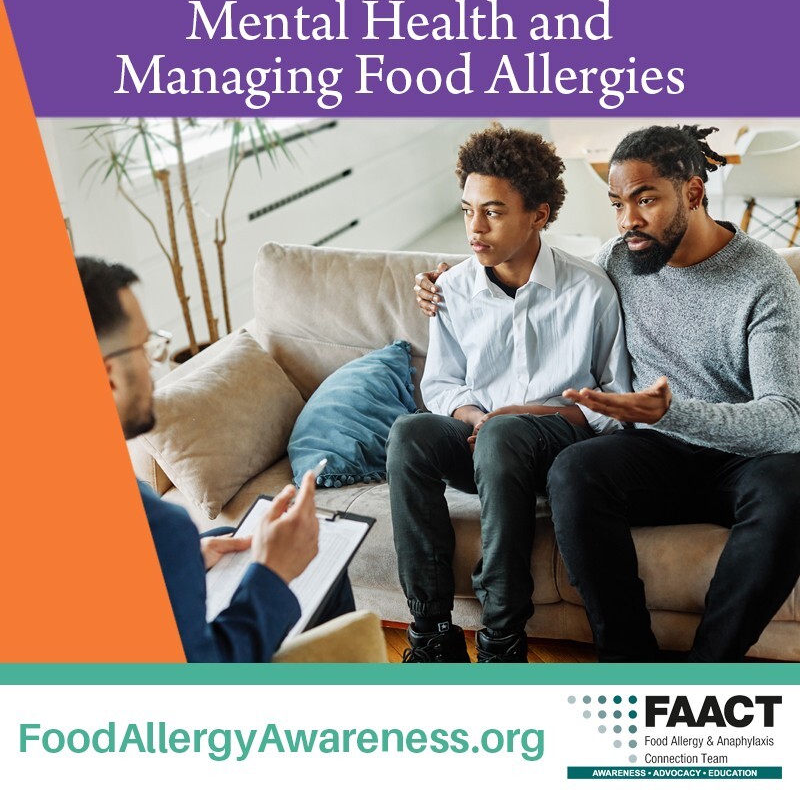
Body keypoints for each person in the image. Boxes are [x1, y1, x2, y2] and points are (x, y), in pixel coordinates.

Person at [416, 124, 800, 662]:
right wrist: (453, 280)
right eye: (618, 203)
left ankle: (707, 670)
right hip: (656, 451)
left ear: (692, 192)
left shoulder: (764, 279)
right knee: (574, 472)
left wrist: (675, 411)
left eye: (645, 201)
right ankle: (628, 661)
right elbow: (541, 282)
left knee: (793, 487)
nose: (627, 222)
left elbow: (785, 419)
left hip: (744, 460)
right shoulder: (621, 259)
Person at [388, 124, 631, 663]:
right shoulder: (450, 289)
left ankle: (502, 637)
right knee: (409, 433)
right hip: (483, 442)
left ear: (539, 215)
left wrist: (529, 415)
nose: (475, 228)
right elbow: (442, 384)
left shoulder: (589, 290)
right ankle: (431, 633)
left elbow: (616, 406)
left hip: (559, 449)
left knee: (504, 433)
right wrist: (476, 416)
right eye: (467, 209)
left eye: (493, 211)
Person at [77, 256, 354, 662]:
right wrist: (273, 574)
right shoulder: (163, 528)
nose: (154, 366)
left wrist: (183, 563)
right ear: (108, 376)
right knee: (313, 563)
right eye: (144, 348)